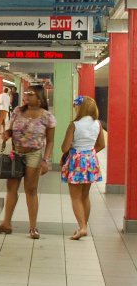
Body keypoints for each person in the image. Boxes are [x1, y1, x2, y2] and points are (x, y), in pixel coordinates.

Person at [0, 84, 56, 239]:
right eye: (26, 93)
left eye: (31, 94)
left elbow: (50, 141)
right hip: (16, 153)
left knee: (31, 190)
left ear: (40, 98)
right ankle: (6, 223)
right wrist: (6, 134)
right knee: (11, 188)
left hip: (34, 155)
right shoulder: (17, 111)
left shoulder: (47, 117)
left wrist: (46, 160)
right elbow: (11, 129)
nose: (26, 96)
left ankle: (33, 227)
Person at [60, 95, 106, 240]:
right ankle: (83, 225)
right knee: (85, 196)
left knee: (75, 197)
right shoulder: (97, 124)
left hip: (76, 160)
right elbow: (101, 145)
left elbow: (65, 147)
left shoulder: (75, 125)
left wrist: (75, 150)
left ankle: (82, 227)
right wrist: (89, 154)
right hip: (90, 160)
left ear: (80, 108)